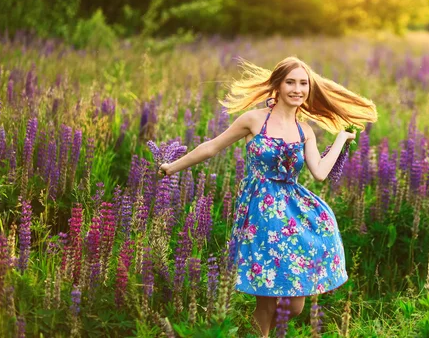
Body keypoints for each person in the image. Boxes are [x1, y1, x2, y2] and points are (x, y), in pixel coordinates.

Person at [159, 56, 377, 337]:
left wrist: (339, 140)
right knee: (266, 299)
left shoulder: (305, 131)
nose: (297, 89)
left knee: (294, 306)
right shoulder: (254, 120)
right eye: (290, 82)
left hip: (293, 212)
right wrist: (171, 167)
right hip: (259, 212)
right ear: (277, 85)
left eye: (303, 83)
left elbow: (320, 173)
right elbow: (211, 147)